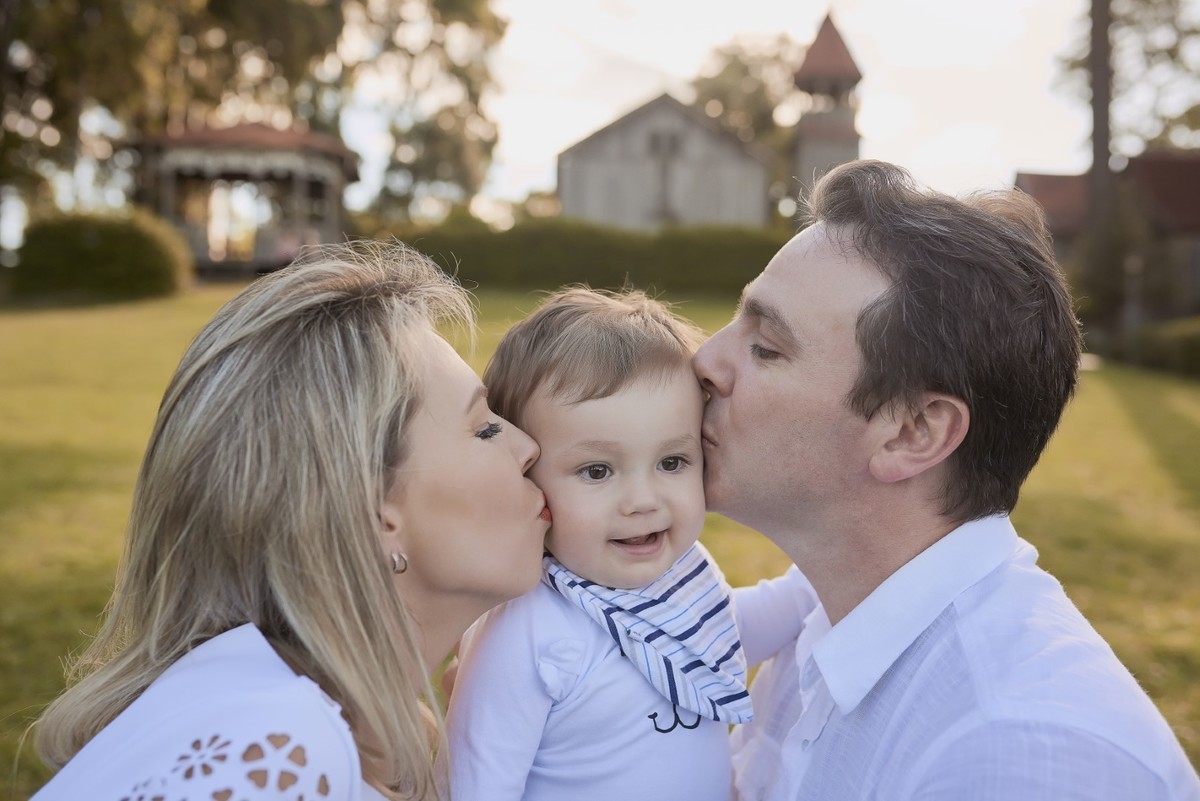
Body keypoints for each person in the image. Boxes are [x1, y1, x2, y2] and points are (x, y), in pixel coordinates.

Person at [695, 159, 1200, 800]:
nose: (704, 359)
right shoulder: (825, 614)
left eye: (766, 347)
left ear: (913, 432)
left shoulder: (1018, 757)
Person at [30, 241, 552, 800]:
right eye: (485, 429)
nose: (529, 447)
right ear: (371, 514)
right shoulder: (273, 753)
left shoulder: (298, 730)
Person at [444, 288, 809, 800]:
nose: (642, 501)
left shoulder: (682, 575)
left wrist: (811, 590)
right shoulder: (530, 628)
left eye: (671, 462)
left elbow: (722, 635)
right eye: (597, 471)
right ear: (525, 477)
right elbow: (476, 782)